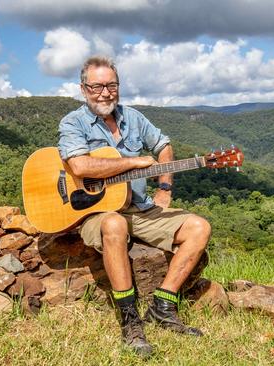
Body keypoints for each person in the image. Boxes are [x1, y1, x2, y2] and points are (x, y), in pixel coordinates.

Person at [57, 56, 211, 357]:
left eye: (111, 85)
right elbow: (79, 164)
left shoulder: (134, 118)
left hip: (139, 208)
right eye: (97, 86)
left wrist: (164, 188)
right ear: (83, 89)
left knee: (199, 227)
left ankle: (163, 306)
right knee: (114, 223)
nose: (105, 93)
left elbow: (164, 146)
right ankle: (130, 321)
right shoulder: (73, 122)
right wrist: (133, 161)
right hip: (96, 212)